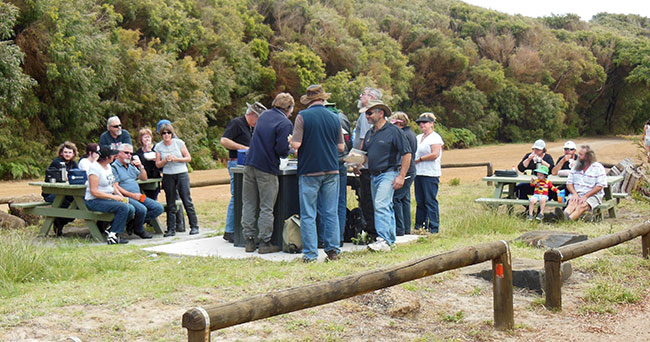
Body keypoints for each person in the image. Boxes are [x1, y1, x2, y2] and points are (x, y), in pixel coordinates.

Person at [291, 85, 344, 262]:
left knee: (308, 213)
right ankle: (333, 251)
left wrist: (293, 140)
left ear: (309, 100)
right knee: (330, 212)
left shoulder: (303, 116)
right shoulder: (335, 117)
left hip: (309, 170)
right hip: (331, 169)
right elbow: (341, 147)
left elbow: (296, 145)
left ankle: (311, 254)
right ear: (323, 99)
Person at [241, 93, 294, 254]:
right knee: (266, 206)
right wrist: (291, 147)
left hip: (250, 163)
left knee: (249, 203)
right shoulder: (285, 123)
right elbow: (281, 150)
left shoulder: (263, 115)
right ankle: (265, 242)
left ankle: (249, 241)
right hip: (267, 167)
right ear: (289, 108)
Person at [358, 100, 412, 252]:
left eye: (369, 113)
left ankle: (383, 240)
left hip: (389, 173)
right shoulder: (370, 133)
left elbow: (407, 154)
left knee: (381, 204)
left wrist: (401, 176)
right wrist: (358, 163)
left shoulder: (394, 131)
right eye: (366, 114)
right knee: (384, 206)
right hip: (373, 175)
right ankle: (390, 240)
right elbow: (366, 155)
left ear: (380, 113)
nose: (367, 116)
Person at [220, 102, 267, 243]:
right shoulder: (237, 123)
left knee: (243, 197)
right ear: (252, 115)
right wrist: (243, 148)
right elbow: (224, 140)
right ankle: (230, 230)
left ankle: (236, 228)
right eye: (258, 118)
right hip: (236, 162)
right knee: (236, 195)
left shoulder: (252, 128)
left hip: (248, 165)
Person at [155, 123, 200, 236]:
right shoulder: (158, 147)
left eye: (169, 133)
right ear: (161, 135)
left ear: (172, 134)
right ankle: (171, 228)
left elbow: (188, 158)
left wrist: (177, 159)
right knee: (170, 202)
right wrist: (165, 160)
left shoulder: (179, 143)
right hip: (168, 175)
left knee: (186, 199)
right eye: (164, 133)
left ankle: (194, 226)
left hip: (181, 173)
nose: (166, 135)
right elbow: (158, 164)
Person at [112, 143, 164, 239]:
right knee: (141, 209)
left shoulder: (130, 166)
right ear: (119, 153)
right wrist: (132, 195)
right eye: (126, 153)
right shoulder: (114, 167)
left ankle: (134, 224)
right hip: (125, 197)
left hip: (139, 196)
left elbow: (144, 178)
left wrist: (141, 166)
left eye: (131, 153)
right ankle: (139, 230)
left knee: (158, 208)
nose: (129, 155)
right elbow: (116, 187)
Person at [84, 146, 133, 245]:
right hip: (94, 200)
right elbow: (94, 191)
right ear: (107, 157)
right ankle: (113, 236)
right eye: (112, 155)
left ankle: (111, 229)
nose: (114, 156)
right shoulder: (94, 169)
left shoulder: (108, 166)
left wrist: (120, 196)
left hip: (107, 198)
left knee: (130, 208)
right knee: (122, 208)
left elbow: (112, 185)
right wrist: (113, 197)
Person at [352, 87, 383, 238]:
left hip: (367, 166)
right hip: (372, 164)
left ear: (371, 97)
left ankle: (372, 232)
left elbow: (364, 142)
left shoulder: (367, 116)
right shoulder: (371, 115)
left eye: (363, 94)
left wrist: (357, 164)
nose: (360, 95)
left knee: (367, 200)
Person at [320, 101, 351, 247]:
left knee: (323, 202)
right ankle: (339, 237)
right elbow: (348, 142)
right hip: (342, 162)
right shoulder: (343, 117)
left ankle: (323, 237)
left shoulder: (323, 118)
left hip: (326, 162)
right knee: (340, 201)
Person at [556, 145, 608, 221]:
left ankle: (567, 220)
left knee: (582, 206)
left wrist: (586, 196)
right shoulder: (576, 166)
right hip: (577, 193)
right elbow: (569, 183)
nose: (578, 156)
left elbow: (600, 186)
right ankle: (564, 216)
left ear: (588, 157)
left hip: (592, 195)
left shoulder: (598, 168)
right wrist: (575, 194)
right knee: (572, 203)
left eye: (581, 155)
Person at [413, 113, 444, 234]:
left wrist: (420, 159)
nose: (422, 125)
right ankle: (420, 225)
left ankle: (434, 227)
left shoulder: (435, 137)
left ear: (431, 123)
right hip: (419, 172)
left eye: (425, 122)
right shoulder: (418, 137)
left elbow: (435, 154)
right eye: (420, 123)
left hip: (430, 173)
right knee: (420, 201)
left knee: (430, 200)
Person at [42, 141, 79, 237]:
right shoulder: (57, 162)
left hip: (67, 192)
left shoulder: (73, 163)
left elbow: (78, 175)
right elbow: (66, 177)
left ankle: (60, 222)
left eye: (70, 152)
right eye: (65, 152)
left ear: (74, 154)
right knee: (65, 202)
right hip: (52, 193)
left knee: (78, 203)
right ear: (61, 153)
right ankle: (58, 223)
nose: (67, 154)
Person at [390, 112, 416, 236]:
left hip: (406, 170)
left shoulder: (404, 135)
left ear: (399, 122)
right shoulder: (410, 133)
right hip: (410, 170)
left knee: (396, 198)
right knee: (405, 199)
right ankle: (406, 228)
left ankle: (399, 228)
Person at [135, 128, 162, 200]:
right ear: (141, 139)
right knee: (143, 199)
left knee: (152, 199)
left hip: (154, 180)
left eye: (148, 137)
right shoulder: (138, 152)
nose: (147, 139)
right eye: (145, 137)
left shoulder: (157, 149)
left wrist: (150, 151)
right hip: (142, 181)